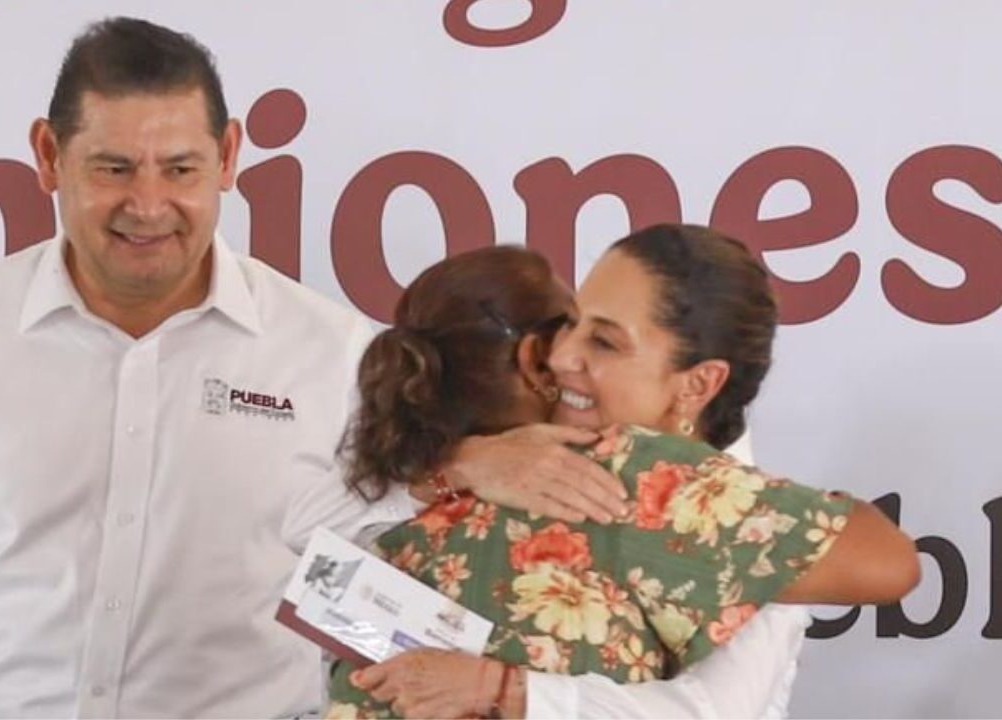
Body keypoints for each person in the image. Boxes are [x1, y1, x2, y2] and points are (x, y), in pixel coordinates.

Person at [0, 17, 633, 718]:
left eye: (180, 169)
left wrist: (472, 465)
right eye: (111, 169)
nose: (147, 204)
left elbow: (387, 562)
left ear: (230, 156)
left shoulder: (335, 352)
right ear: (47, 154)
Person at [326, 231, 919, 718]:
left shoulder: (700, 504)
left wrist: (500, 689)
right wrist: (465, 464)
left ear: (698, 384)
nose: (562, 356)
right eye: (572, 323)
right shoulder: (481, 473)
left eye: (604, 341)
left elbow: (718, 709)